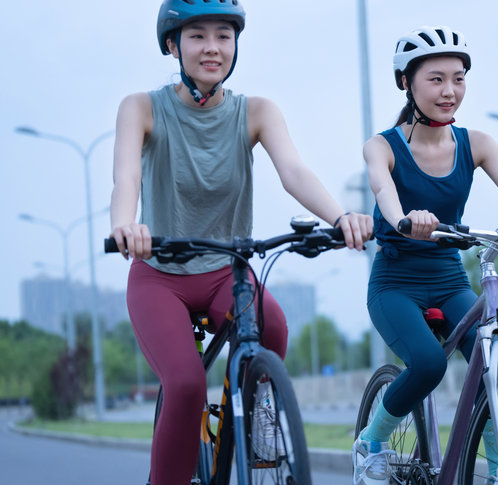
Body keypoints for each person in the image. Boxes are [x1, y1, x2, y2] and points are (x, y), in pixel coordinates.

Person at [109, 2, 372, 484]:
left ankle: (256, 416)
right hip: (160, 276)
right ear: (173, 45)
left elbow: (293, 171)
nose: (212, 47)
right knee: (186, 385)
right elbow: (125, 177)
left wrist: (340, 217)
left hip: (225, 271)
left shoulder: (256, 112)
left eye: (223, 36)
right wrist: (126, 225)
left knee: (272, 328)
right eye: (197, 36)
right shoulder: (141, 108)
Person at [352, 25, 498, 485]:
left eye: (458, 79)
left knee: (493, 369)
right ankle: (371, 442)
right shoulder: (382, 146)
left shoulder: (475, 143)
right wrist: (404, 219)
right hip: (395, 282)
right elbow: (383, 190)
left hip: (449, 278)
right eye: (436, 79)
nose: (449, 91)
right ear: (406, 83)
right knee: (428, 364)